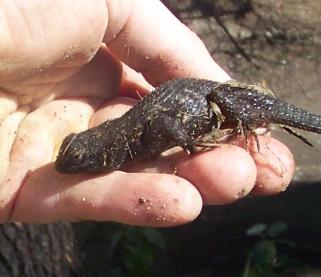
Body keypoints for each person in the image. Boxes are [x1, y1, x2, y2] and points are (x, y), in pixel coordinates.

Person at [0, 0, 294, 226]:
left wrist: (189, 144)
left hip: (203, 101)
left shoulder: (125, 142)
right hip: (193, 104)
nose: (69, 164)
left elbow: (165, 121)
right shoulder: (116, 142)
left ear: (102, 151)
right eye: (73, 153)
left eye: (76, 156)